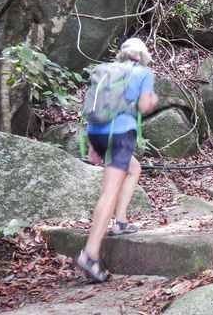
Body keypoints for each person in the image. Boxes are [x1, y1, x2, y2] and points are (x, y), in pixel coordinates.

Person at [76, 38, 158, 282]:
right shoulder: (143, 73)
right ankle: (90, 254)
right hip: (120, 135)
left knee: (134, 168)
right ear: (142, 56)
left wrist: (93, 143)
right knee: (108, 192)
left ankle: (120, 221)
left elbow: (94, 105)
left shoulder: (106, 71)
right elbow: (144, 105)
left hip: (97, 132)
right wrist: (153, 100)